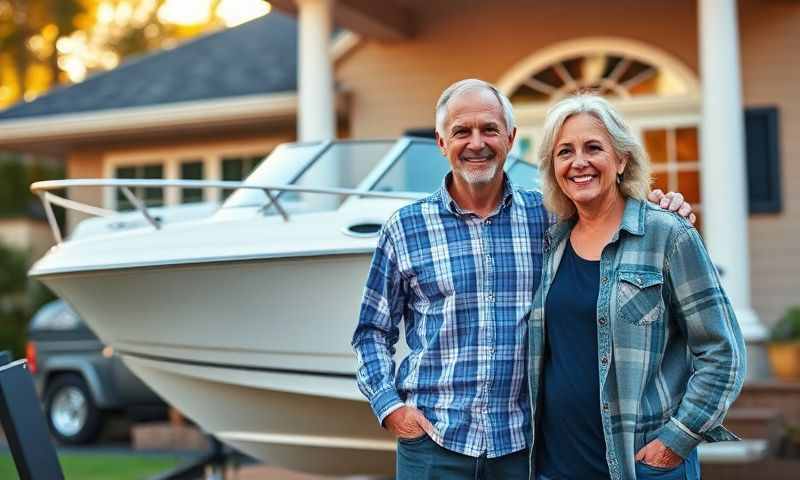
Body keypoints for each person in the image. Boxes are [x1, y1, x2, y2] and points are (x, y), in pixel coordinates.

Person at [351, 79, 694, 480]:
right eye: (461, 131)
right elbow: (372, 331)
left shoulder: (552, 217)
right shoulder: (405, 228)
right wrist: (390, 408)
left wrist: (658, 210)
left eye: (489, 129)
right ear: (442, 143)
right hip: (433, 445)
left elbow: (607, 212)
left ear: (510, 138)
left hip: (525, 448)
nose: (476, 142)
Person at [528, 94, 745, 480]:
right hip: (556, 466)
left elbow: (722, 351)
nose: (579, 162)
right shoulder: (551, 244)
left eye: (594, 147)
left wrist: (676, 441)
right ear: (553, 167)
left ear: (622, 159)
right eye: (565, 152)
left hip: (642, 466)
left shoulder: (668, 235)